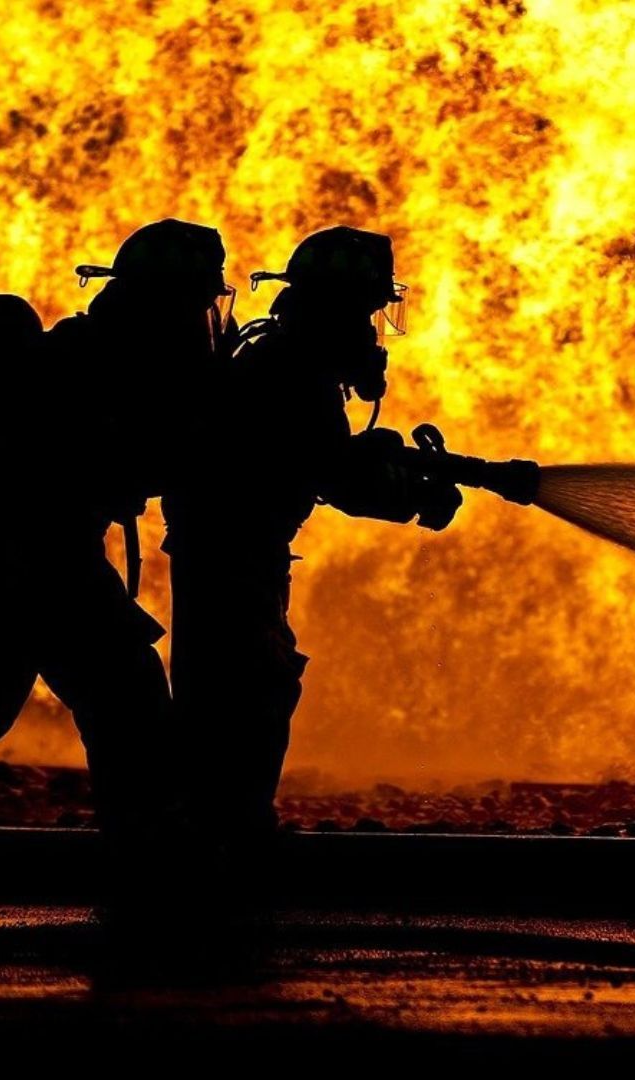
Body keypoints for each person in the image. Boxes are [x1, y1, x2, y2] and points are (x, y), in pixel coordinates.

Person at [0, 220, 234, 923]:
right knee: (128, 712)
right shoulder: (104, 367)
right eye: (196, 302)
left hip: (3, 567)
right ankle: (151, 897)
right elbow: (143, 457)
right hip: (43, 567)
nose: (204, 320)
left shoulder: (94, 355)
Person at [163, 225, 460, 906]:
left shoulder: (283, 361)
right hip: (235, 552)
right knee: (249, 692)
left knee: (238, 691)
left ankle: (210, 841)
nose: (373, 333)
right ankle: (222, 849)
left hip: (235, 548)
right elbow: (334, 476)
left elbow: (319, 460)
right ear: (338, 308)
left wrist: (382, 460)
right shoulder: (294, 371)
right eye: (364, 312)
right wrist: (414, 498)